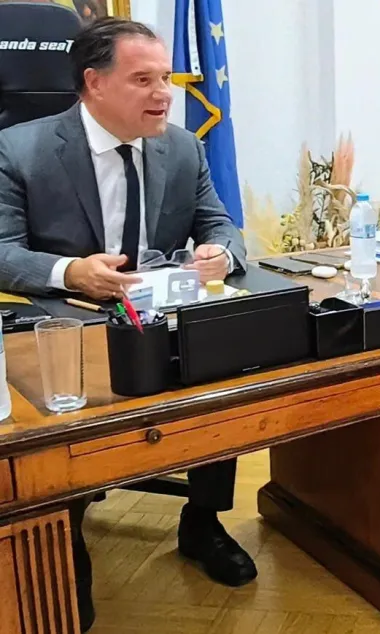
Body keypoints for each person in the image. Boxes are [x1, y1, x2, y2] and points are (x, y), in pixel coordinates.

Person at [0, 17, 255, 631]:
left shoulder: (184, 147)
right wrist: (70, 272)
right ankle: (68, 533)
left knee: (222, 369)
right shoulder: (19, 149)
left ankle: (202, 520)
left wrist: (220, 254)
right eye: (144, 80)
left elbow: (220, 224)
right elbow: (2, 250)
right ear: (94, 83)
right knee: (62, 415)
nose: (164, 94)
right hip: (70, 317)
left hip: (161, 309)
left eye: (165, 78)